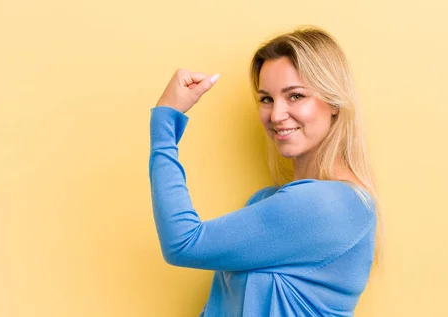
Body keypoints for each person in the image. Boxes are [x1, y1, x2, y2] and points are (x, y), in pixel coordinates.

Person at [149, 26, 381, 317]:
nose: (276, 115)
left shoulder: (332, 204)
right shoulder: (266, 202)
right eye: (266, 99)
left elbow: (183, 244)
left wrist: (165, 122)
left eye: (295, 96)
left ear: (334, 102)